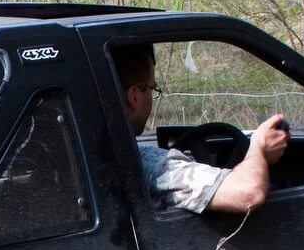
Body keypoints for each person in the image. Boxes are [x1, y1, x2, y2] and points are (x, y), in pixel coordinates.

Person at [109, 41, 290, 215]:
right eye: (151, 88)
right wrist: (258, 149)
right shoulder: (146, 165)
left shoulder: (95, 156)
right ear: (134, 96)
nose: (151, 97)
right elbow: (248, 194)